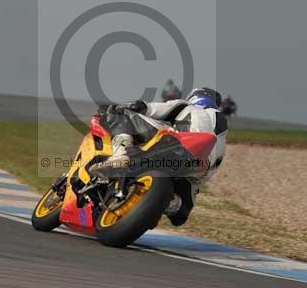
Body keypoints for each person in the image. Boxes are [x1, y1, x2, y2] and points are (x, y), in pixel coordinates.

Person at [91, 87, 228, 226]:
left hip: (180, 145)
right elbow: (180, 218)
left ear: (195, 97)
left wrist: (123, 106)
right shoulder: (221, 131)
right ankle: (167, 202)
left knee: (121, 115)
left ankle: (120, 156)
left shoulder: (189, 107)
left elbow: (149, 108)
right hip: (195, 172)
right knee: (181, 213)